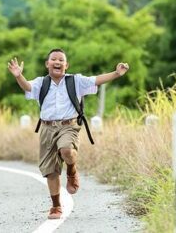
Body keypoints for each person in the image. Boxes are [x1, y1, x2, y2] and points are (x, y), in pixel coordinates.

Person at [7, 48, 129, 219]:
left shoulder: (76, 81)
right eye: (53, 59)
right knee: (51, 171)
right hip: (47, 128)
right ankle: (56, 206)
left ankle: (72, 170)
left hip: (69, 125)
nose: (57, 62)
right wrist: (19, 76)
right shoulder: (41, 82)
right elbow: (27, 87)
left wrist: (116, 73)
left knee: (66, 150)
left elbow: (97, 80)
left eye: (61, 60)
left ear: (66, 65)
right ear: (47, 64)